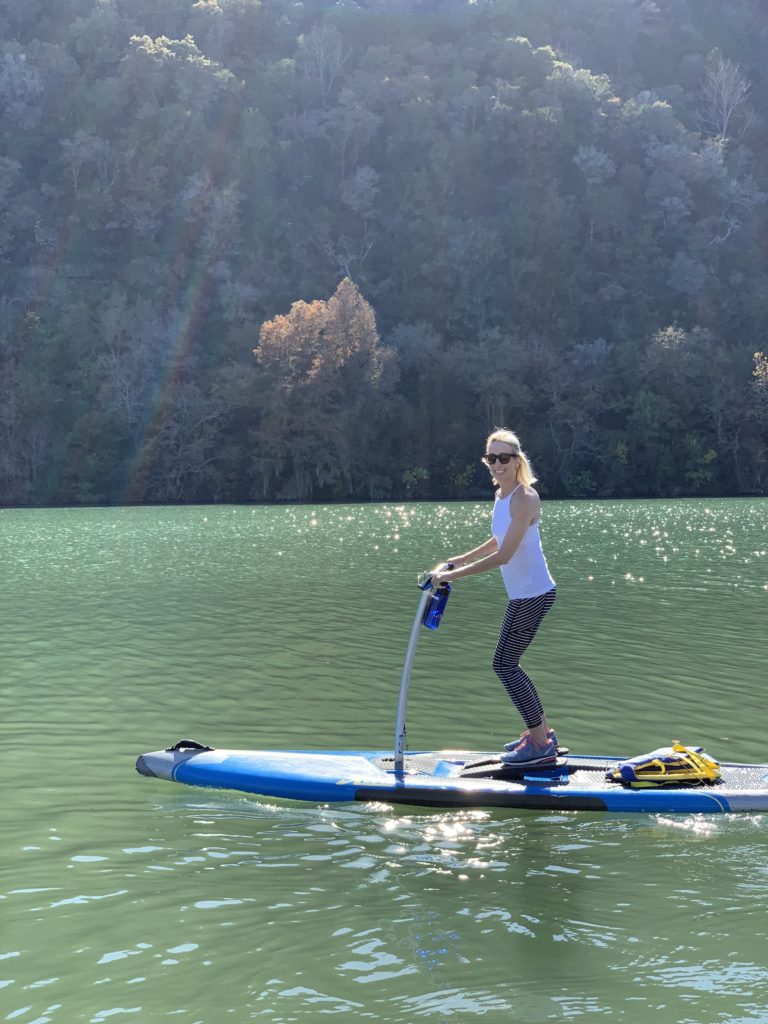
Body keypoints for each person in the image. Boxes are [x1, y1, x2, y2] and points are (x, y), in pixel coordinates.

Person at [431, 428, 558, 765]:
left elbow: (505, 555)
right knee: (507, 664)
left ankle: (540, 743)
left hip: (533, 594)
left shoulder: (525, 498)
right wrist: (461, 557)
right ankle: (542, 733)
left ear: (517, 460)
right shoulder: (501, 496)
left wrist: (451, 576)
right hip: (524, 596)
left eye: (504, 457)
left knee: (504, 665)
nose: (497, 464)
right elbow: (498, 540)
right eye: (491, 458)